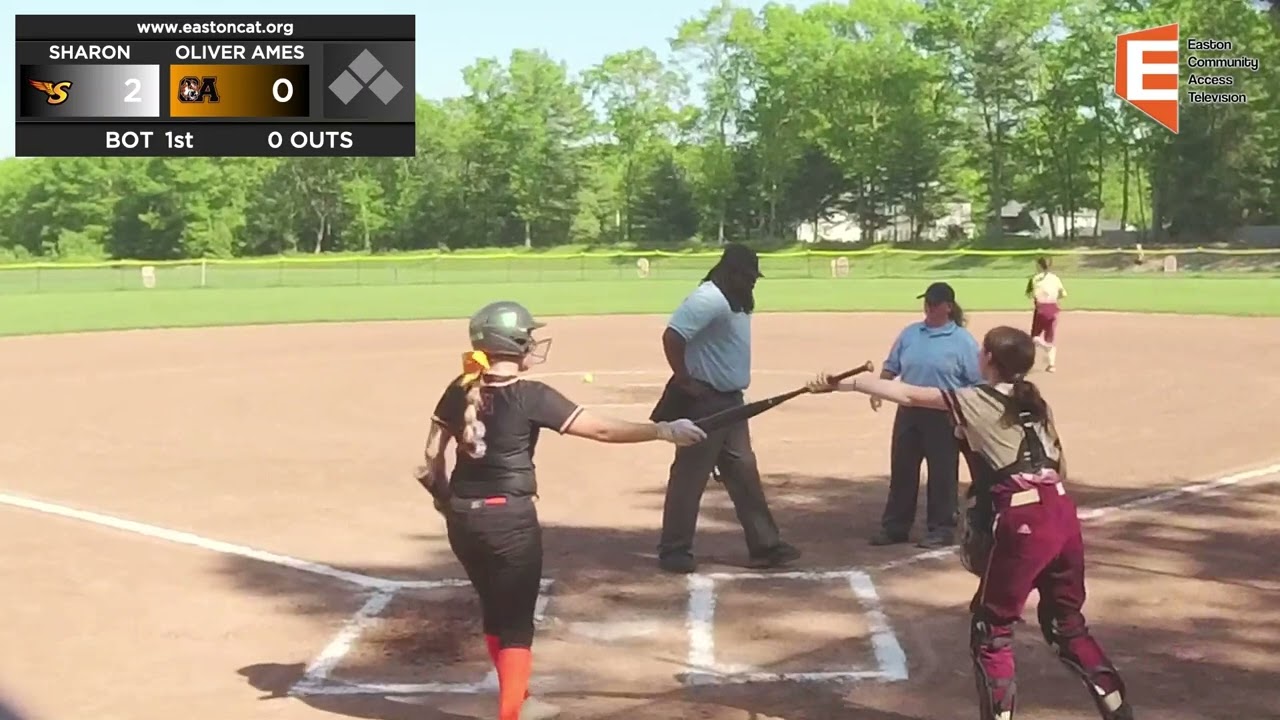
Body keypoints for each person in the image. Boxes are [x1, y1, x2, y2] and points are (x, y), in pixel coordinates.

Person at [805, 326, 1134, 720]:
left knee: (991, 630)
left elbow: (909, 394)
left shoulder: (976, 398)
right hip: (1063, 514)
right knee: (1067, 624)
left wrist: (849, 383)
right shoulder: (1036, 403)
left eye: (983, 351)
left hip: (1025, 521)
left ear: (991, 361)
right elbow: (1059, 467)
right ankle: (1118, 709)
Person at [414, 300, 707, 720]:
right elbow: (601, 429)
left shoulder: (459, 387)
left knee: (495, 611)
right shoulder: (531, 395)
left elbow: (429, 458)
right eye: (527, 336)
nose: (533, 341)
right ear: (513, 343)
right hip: (509, 522)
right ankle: (511, 713)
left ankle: (514, 697)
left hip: (463, 517)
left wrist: (446, 502)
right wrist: (662, 430)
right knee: (516, 624)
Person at [650, 243, 800, 574]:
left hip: (731, 401)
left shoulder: (735, 299)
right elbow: (672, 336)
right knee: (690, 475)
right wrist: (685, 380)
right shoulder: (708, 298)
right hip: (704, 403)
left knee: (743, 470)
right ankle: (674, 549)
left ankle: (765, 545)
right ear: (730, 272)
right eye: (747, 276)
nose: (752, 282)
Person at [870, 281, 982, 549]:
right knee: (902, 469)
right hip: (908, 410)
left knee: (942, 472)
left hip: (944, 413)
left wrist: (967, 415)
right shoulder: (910, 334)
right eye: (927, 302)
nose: (929, 307)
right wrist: (879, 388)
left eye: (935, 303)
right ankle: (895, 527)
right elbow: (891, 366)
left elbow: (977, 381)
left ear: (948, 307)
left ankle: (942, 528)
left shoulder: (963, 341)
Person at [1026, 256, 1067, 372]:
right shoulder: (1055, 278)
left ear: (1039, 266)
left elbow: (1031, 294)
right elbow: (1064, 294)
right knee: (1050, 337)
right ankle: (1051, 365)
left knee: (1035, 337)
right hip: (1054, 309)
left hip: (1041, 309)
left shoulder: (1035, 279)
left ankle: (1041, 350)